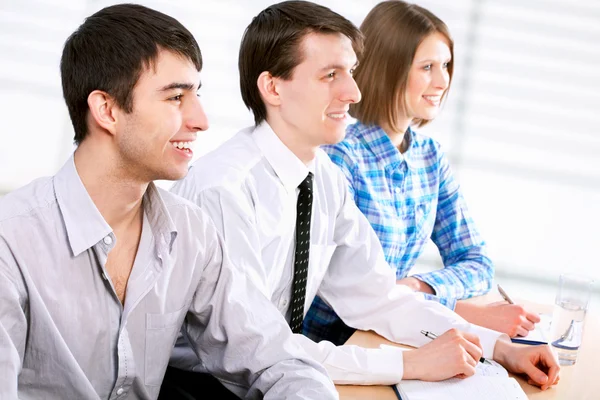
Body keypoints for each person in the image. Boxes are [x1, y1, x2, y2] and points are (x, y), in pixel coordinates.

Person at [170, 0, 559, 392]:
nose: (353, 92)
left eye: (351, 72)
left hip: (281, 372)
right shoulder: (225, 189)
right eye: (330, 75)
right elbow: (255, 348)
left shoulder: (324, 178)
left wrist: (497, 347)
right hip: (203, 383)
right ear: (273, 87)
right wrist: (408, 363)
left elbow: (380, 298)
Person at [0, 4, 339, 400]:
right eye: (176, 97)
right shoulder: (12, 242)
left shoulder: (191, 232)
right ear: (107, 110)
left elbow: (277, 360)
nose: (200, 119)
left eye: (196, 94)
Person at [304, 0, 541, 346]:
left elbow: (476, 261)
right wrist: (462, 310)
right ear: (389, 69)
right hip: (337, 348)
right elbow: (354, 295)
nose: (443, 80)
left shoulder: (429, 158)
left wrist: (417, 286)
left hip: (399, 335)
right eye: (427, 66)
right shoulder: (340, 158)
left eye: (445, 65)